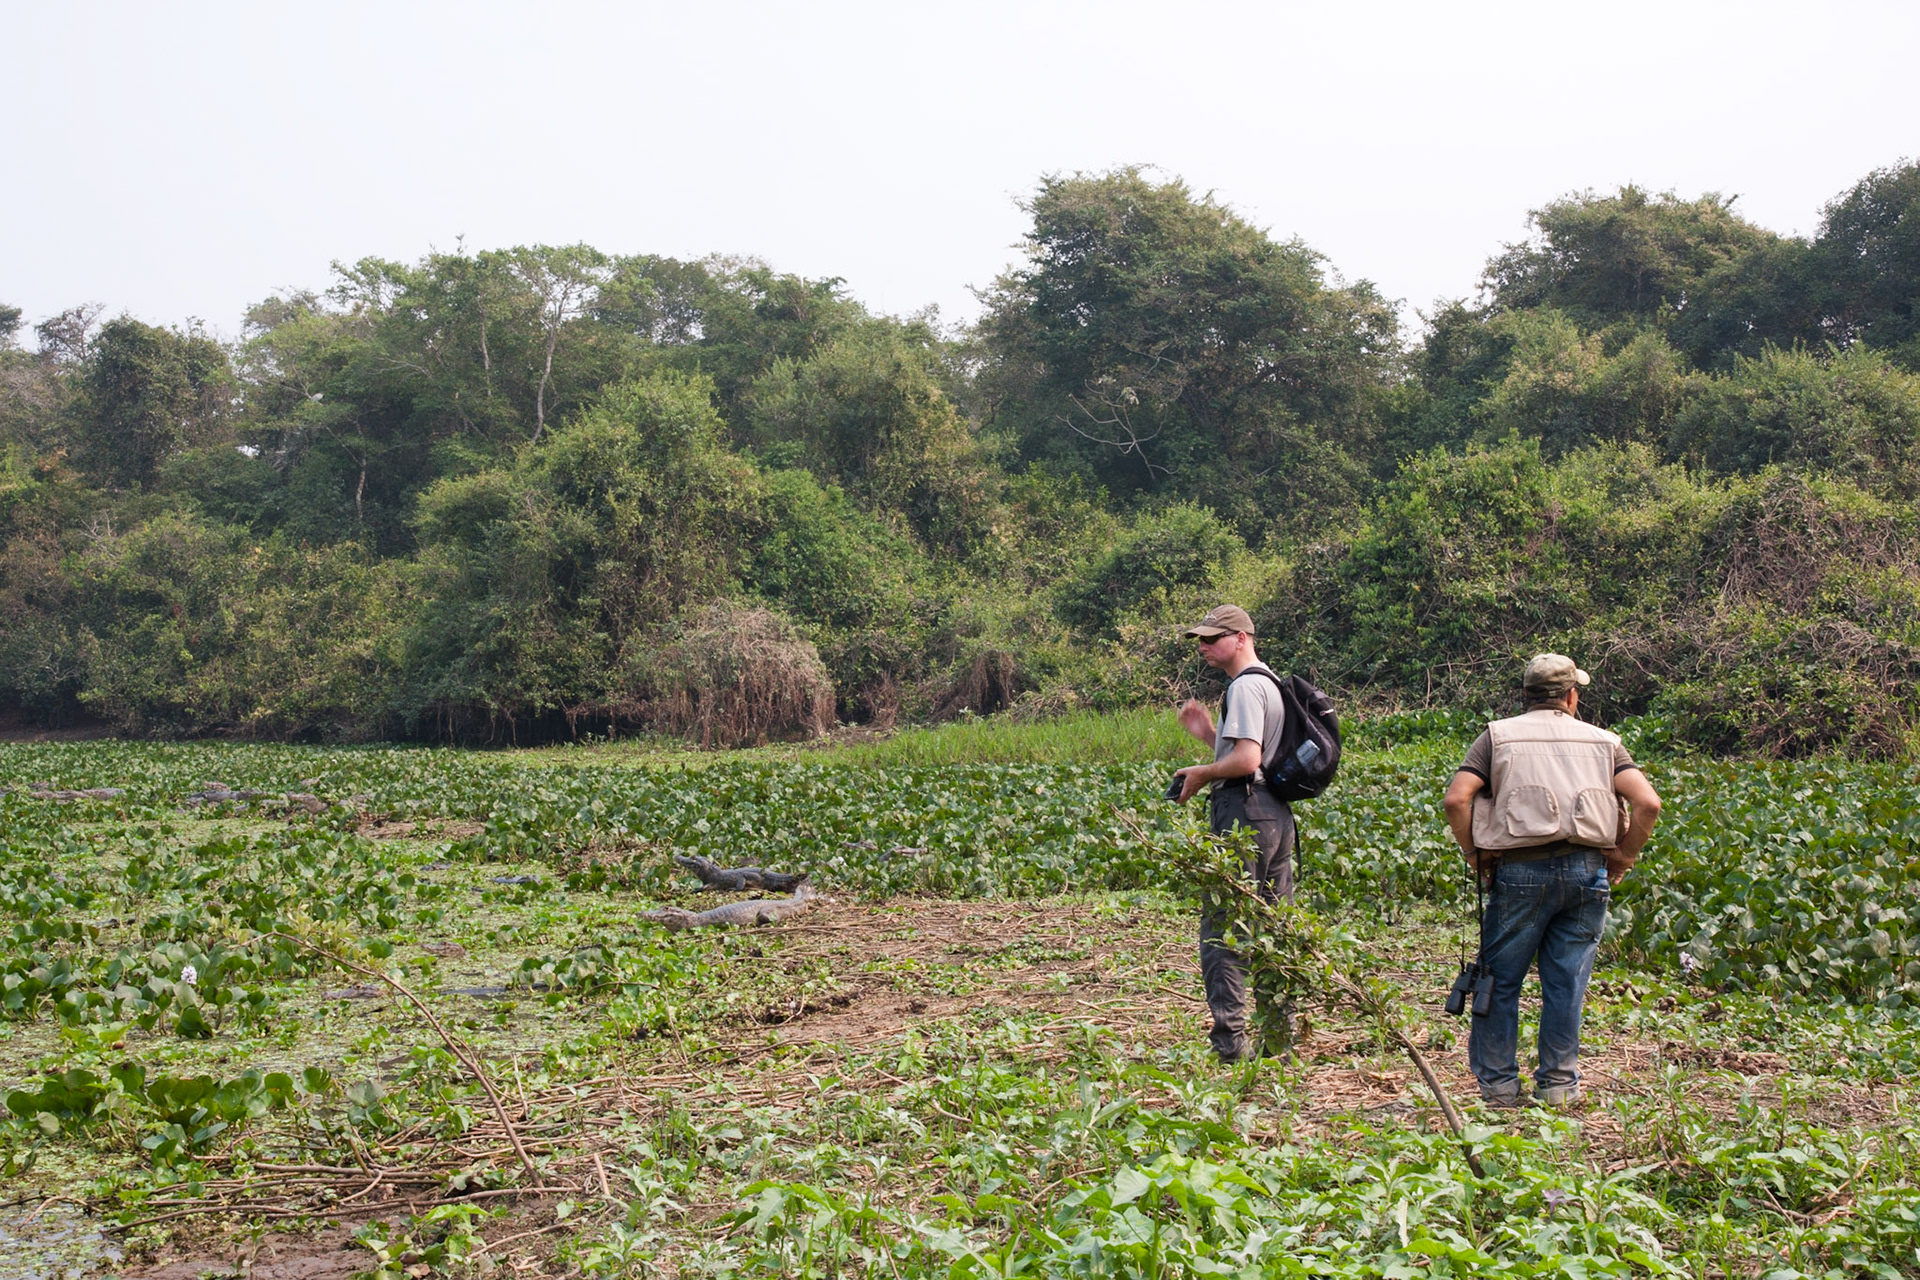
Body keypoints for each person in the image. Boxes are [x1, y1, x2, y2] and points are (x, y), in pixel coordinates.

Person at [1442, 653, 1662, 1108]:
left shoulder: (1497, 737)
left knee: (1499, 980)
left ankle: (1500, 1088)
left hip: (1519, 871)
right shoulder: (1605, 742)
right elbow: (1648, 804)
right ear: (1570, 696)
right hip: (1586, 873)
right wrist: (1624, 856)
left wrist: (1474, 855)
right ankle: (1559, 1087)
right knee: (1567, 983)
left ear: (1526, 696)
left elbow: (1456, 799)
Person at [1171, 604, 1295, 1063]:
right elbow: (1255, 755)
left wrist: (1202, 773)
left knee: (1224, 927)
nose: (1203, 647)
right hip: (1274, 815)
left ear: (1241, 637)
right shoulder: (1269, 682)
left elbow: (1245, 764)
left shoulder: (1244, 688)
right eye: (1200, 640)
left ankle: (1230, 1045)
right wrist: (1210, 736)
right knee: (1273, 924)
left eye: (1212, 638)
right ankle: (1279, 1040)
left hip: (1244, 812)